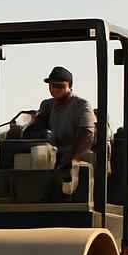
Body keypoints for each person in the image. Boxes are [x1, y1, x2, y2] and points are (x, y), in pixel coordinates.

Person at [25, 66, 98, 195]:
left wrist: (70, 158)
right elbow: (36, 128)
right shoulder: (47, 105)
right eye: (52, 85)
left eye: (59, 86)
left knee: (77, 163)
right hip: (53, 153)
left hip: (76, 152)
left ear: (69, 86)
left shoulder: (82, 105)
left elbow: (87, 136)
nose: (55, 89)